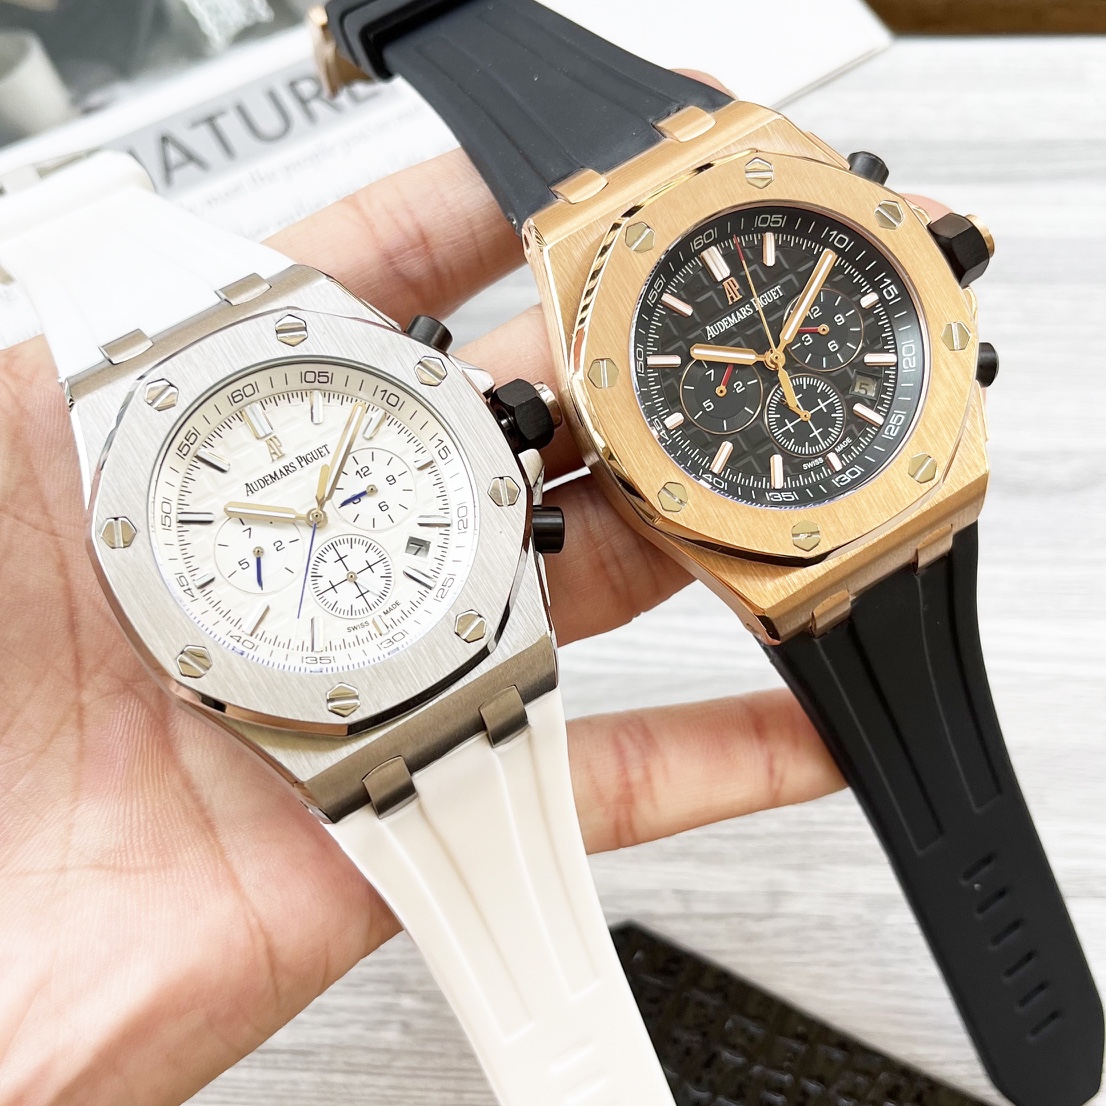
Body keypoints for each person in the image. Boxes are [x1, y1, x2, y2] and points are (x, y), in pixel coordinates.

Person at [0, 116, 946, 1105]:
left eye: (331, 495)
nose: (320, 514)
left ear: (503, 431)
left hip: (477, 650)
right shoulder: (116, 459)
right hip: (352, 707)